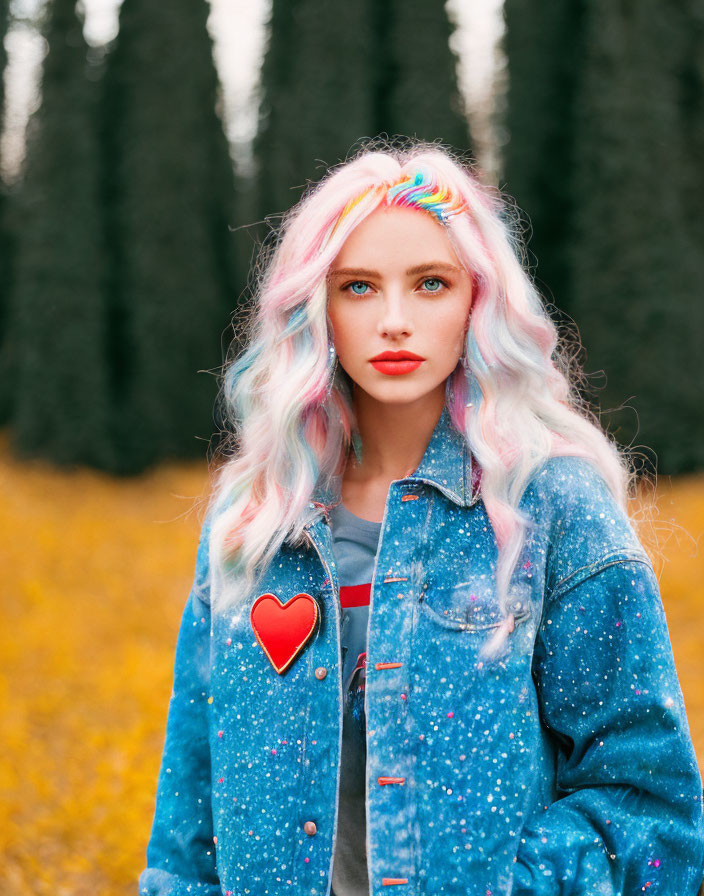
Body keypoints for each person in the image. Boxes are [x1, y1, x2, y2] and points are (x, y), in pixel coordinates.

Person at [138, 139, 704, 896]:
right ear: (318, 307)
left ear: (478, 299)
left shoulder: (552, 505)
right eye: (360, 287)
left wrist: (508, 885)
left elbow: (650, 809)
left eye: (431, 284)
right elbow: (189, 828)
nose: (395, 320)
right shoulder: (254, 521)